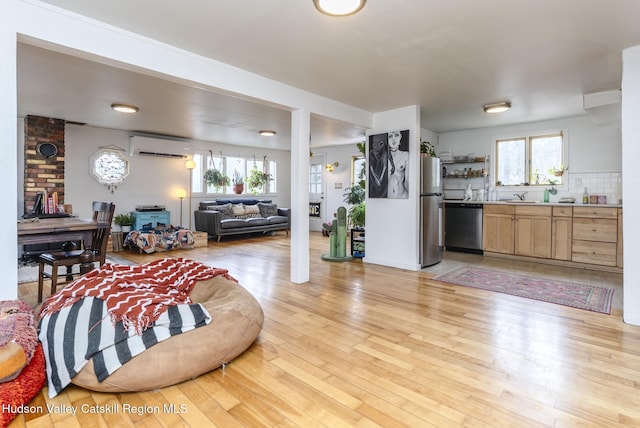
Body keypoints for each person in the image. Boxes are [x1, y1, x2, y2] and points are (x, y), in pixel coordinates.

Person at [387, 130, 409, 198]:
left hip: (403, 196)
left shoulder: (405, 155)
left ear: (400, 137)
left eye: (396, 135)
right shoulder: (383, 157)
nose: (393, 139)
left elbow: (408, 180)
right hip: (387, 198)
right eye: (390, 136)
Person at [368, 133, 388, 198]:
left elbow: (385, 167)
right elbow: (371, 168)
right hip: (374, 182)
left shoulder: (385, 154)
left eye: (380, 144)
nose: (376, 146)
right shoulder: (371, 154)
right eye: (374, 143)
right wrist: (377, 180)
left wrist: (380, 179)